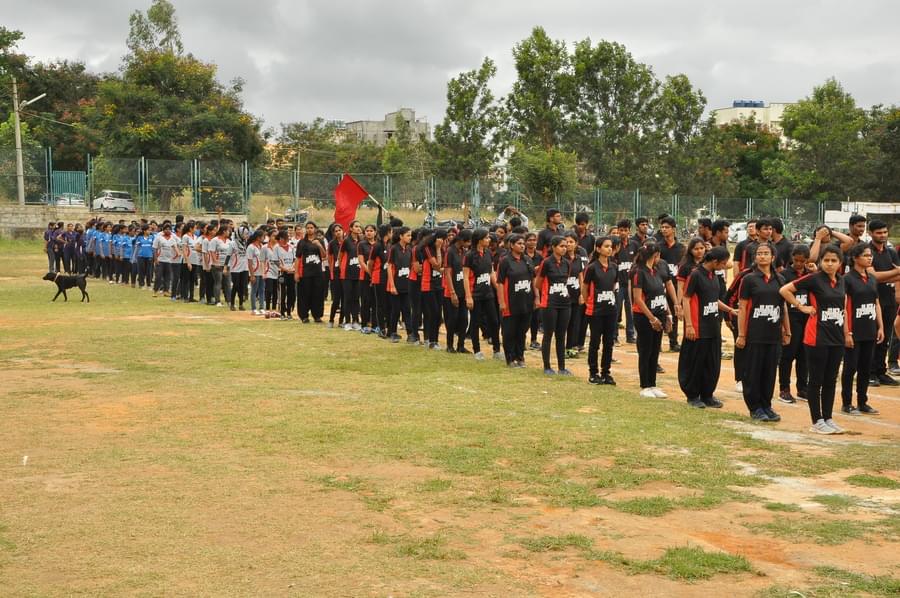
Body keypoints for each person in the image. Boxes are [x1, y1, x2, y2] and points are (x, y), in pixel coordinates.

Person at [780, 245, 848, 435]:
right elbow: (785, 290)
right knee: (816, 380)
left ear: (840, 263)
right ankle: (816, 420)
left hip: (836, 338)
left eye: (834, 260)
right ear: (820, 262)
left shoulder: (842, 281)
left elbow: (843, 309)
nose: (829, 264)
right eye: (826, 260)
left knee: (830, 380)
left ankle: (827, 418)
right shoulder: (814, 279)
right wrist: (801, 307)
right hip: (816, 337)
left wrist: (846, 334)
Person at [736, 242, 790, 422]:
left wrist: (786, 330)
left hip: (773, 334)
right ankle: (755, 407)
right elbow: (742, 308)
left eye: (766, 253)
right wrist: (742, 334)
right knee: (753, 372)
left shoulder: (780, 279)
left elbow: (783, 307)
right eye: (759, 253)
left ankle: (767, 405)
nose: (762, 256)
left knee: (769, 372)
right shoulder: (749, 279)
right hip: (754, 334)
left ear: (773, 257)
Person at [679, 246, 733, 407]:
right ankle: (693, 395)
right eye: (723, 263)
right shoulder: (696, 274)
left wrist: (730, 310)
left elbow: (713, 300)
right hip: (698, 327)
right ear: (715, 261)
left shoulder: (714, 276)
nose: (725, 267)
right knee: (696, 363)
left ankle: (707, 394)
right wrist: (689, 325)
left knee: (712, 363)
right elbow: (686, 299)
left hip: (712, 327)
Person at [841, 243, 883, 415]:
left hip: (869, 329)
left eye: (870, 255)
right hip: (854, 330)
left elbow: (876, 303)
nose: (869, 257)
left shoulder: (872, 278)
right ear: (855, 258)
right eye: (865, 255)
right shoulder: (847, 279)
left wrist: (880, 326)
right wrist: (847, 332)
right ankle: (847, 403)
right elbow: (843, 307)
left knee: (866, 368)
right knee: (850, 367)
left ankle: (862, 401)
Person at [631, 243, 670, 397]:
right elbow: (638, 299)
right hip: (644, 316)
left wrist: (667, 314)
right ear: (655, 256)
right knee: (646, 350)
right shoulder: (638, 272)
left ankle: (653, 384)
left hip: (658, 314)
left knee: (655, 350)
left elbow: (662, 294)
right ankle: (645, 385)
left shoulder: (656, 271)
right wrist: (651, 318)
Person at [534, 236, 575, 375]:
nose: (564, 248)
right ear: (553, 247)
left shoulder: (567, 263)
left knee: (561, 335)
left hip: (564, 303)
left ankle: (562, 367)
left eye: (566, 246)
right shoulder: (546, 263)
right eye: (561, 246)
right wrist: (546, 293)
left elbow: (566, 280)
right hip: (549, 303)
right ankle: (547, 366)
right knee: (548, 334)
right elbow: (537, 283)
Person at [867, 220, 900, 386]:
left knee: (885, 337)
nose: (883, 235)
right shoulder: (867, 252)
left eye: (885, 232)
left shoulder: (891, 252)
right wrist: (894, 273)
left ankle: (881, 371)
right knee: (873, 337)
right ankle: (869, 373)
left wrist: (885, 275)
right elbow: (872, 277)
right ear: (871, 233)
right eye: (879, 233)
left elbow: (895, 276)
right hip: (871, 300)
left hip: (889, 299)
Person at [778, 245, 812, 403]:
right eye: (796, 260)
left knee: (804, 355)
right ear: (792, 258)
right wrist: (784, 326)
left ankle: (803, 388)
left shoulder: (811, 274)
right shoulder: (784, 275)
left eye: (802, 261)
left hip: (807, 318)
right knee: (788, 355)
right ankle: (784, 388)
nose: (799, 263)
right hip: (790, 317)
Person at [583, 237, 618, 385]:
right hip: (596, 310)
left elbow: (614, 285)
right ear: (598, 249)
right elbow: (585, 288)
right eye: (606, 246)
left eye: (611, 246)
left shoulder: (614, 266)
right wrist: (588, 302)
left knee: (609, 342)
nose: (609, 249)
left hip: (610, 309)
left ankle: (606, 372)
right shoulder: (592, 268)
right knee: (595, 342)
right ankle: (593, 372)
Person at [463, 228, 502, 360]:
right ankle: (477, 350)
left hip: (488, 293)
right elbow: (465, 277)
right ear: (479, 240)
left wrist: (498, 288)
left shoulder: (488, 253)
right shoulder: (469, 256)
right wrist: (468, 296)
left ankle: (497, 350)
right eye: (486, 238)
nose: (489, 240)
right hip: (476, 294)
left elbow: (491, 272)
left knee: (494, 321)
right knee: (475, 322)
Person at [497, 233, 535, 367]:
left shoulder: (527, 260)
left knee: (522, 331)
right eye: (519, 243)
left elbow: (533, 280)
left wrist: (536, 297)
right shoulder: (505, 261)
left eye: (523, 243)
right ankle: (510, 358)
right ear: (511, 245)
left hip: (526, 301)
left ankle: (520, 356)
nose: (522, 246)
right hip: (510, 302)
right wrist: (502, 301)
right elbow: (500, 282)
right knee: (509, 332)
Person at [657, 216, 685, 352]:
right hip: (660, 285)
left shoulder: (681, 248)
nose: (664, 230)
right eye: (662, 227)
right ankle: (657, 342)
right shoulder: (659, 247)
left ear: (673, 229)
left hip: (675, 285)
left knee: (674, 312)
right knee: (660, 312)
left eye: (667, 227)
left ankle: (673, 341)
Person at [443, 229, 471, 353]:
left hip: (463, 291)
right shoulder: (450, 252)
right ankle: (449, 345)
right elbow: (447, 273)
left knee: (464, 320)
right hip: (452, 292)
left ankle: (461, 345)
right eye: (468, 241)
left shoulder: (464, 252)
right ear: (461, 240)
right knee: (452, 319)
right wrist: (452, 292)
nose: (469, 244)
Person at [418, 229, 446, 350]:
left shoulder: (443, 250)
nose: (443, 242)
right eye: (441, 239)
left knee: (438, 314)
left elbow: (442, 267)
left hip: (439, 285)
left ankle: (434, 339)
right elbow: (437, 265)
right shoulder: (427, 249)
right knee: (432, 313)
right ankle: (431, 340)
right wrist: (439, 249)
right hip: (428, 285)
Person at [386, 226, 413, 342]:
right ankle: (392, 332)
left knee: (407, 310)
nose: (410, 237)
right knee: (395, 310)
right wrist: (392, 285)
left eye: (410, 235)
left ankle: (410, 334)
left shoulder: (409, 249)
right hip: (395, 284)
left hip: (406, 285)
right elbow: (389, 267)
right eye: (407, 235)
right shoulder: (394, 249)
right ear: (401, 236)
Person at [296, 222, 327, 323]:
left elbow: (323, 256)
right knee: (304, 295)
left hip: (317, 272)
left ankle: (317, 315)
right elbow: (297, 258)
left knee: (317, 295)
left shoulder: (320, 241)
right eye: (308, 228)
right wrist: (296, 273)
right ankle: (304, 316)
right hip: (305, 272)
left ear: (315, 229)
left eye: (311, 228)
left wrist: (319, 245)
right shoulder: (302, 242)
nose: (309, 229)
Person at [563, 232, 587, 357]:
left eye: (571, 242)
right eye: (566, 242)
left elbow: (581, 277)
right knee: (564, 323)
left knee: (575, 322)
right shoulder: (562, 259)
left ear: (576, 244)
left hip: (576, 295)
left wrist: (582, 294)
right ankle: (562, 347)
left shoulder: (578, 259)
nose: (568, 244)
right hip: (564, 295)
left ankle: (571, 347)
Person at [339, 220, 363, 330]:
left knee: (356, 298)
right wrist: (342, 268)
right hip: (347, 274)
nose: (358, 228)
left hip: (358, 274)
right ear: (351, 228)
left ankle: (355, 320)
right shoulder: (346, 241)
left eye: (359, 226)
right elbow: (340, 256)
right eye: (356, 226)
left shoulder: (362, 241)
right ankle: (347, 321)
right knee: (347, 298)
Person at [368, 224, 392, 336]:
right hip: (378, 278)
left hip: (387, 278)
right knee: (380, 304)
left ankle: (388, 328)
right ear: (387, 232)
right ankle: (381, 328)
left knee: (388, 304)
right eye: (391, 231)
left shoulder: (388, 245)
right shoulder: (377, 246)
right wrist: (372, 275)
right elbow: (370, 263)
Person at [326, 224, 345, 328]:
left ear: (343, 230)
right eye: (336, 231)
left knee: (344, 298)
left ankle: (342, 321)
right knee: (336, 299)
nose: (338, 232)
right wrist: (332, 273)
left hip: (346, 274)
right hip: (336, 273)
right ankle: (331, 320)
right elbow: (330, 259)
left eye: (339, 230)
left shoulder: (346, 242)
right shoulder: (332, 244)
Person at [275, 229, 296, 319]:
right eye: (285, 237)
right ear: (281, 238)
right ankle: (282, 312)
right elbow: (276, 262)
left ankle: (289, 312)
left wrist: (292, 268)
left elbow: (295, 259)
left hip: (291, 273)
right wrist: (285, 269)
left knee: (291, 292)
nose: (287, 238)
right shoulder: (277, 248)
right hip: (282, 273)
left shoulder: (291, 247)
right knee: (282, 292)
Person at [229, 226, 250, 311]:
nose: (247, 235)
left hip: (244, 267)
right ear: (240, 234)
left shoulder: (246, 243)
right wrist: (226, 267)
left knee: (243, 286)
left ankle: (241, 304)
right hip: (235, 268)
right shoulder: (232, 243)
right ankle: (232, 303)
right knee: (236, 285)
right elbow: (228, 255)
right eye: (245, 234)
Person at [247, 230, 266, 315]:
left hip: (261, 272)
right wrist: (252, 275)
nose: (264, 238)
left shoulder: (262, 246)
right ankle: (253, 308)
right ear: (258, 237)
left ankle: (262, 307)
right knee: (254, 290)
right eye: (263, 236)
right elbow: (250, 261)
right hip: (254, 271)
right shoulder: (251, 247)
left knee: (262, 290)